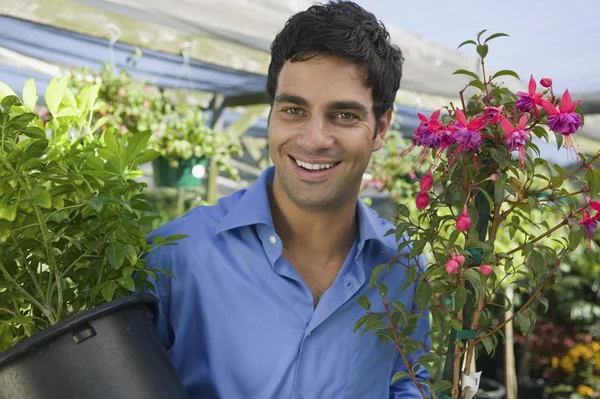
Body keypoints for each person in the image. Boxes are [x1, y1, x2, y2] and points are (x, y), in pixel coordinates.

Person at [146, 1, 430, 398]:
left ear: (381, 127)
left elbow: (410, 385)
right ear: (271, 114)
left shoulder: (403, 268)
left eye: (344, 115)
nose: (314, 139)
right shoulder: (176, 254)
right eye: (294, 110)